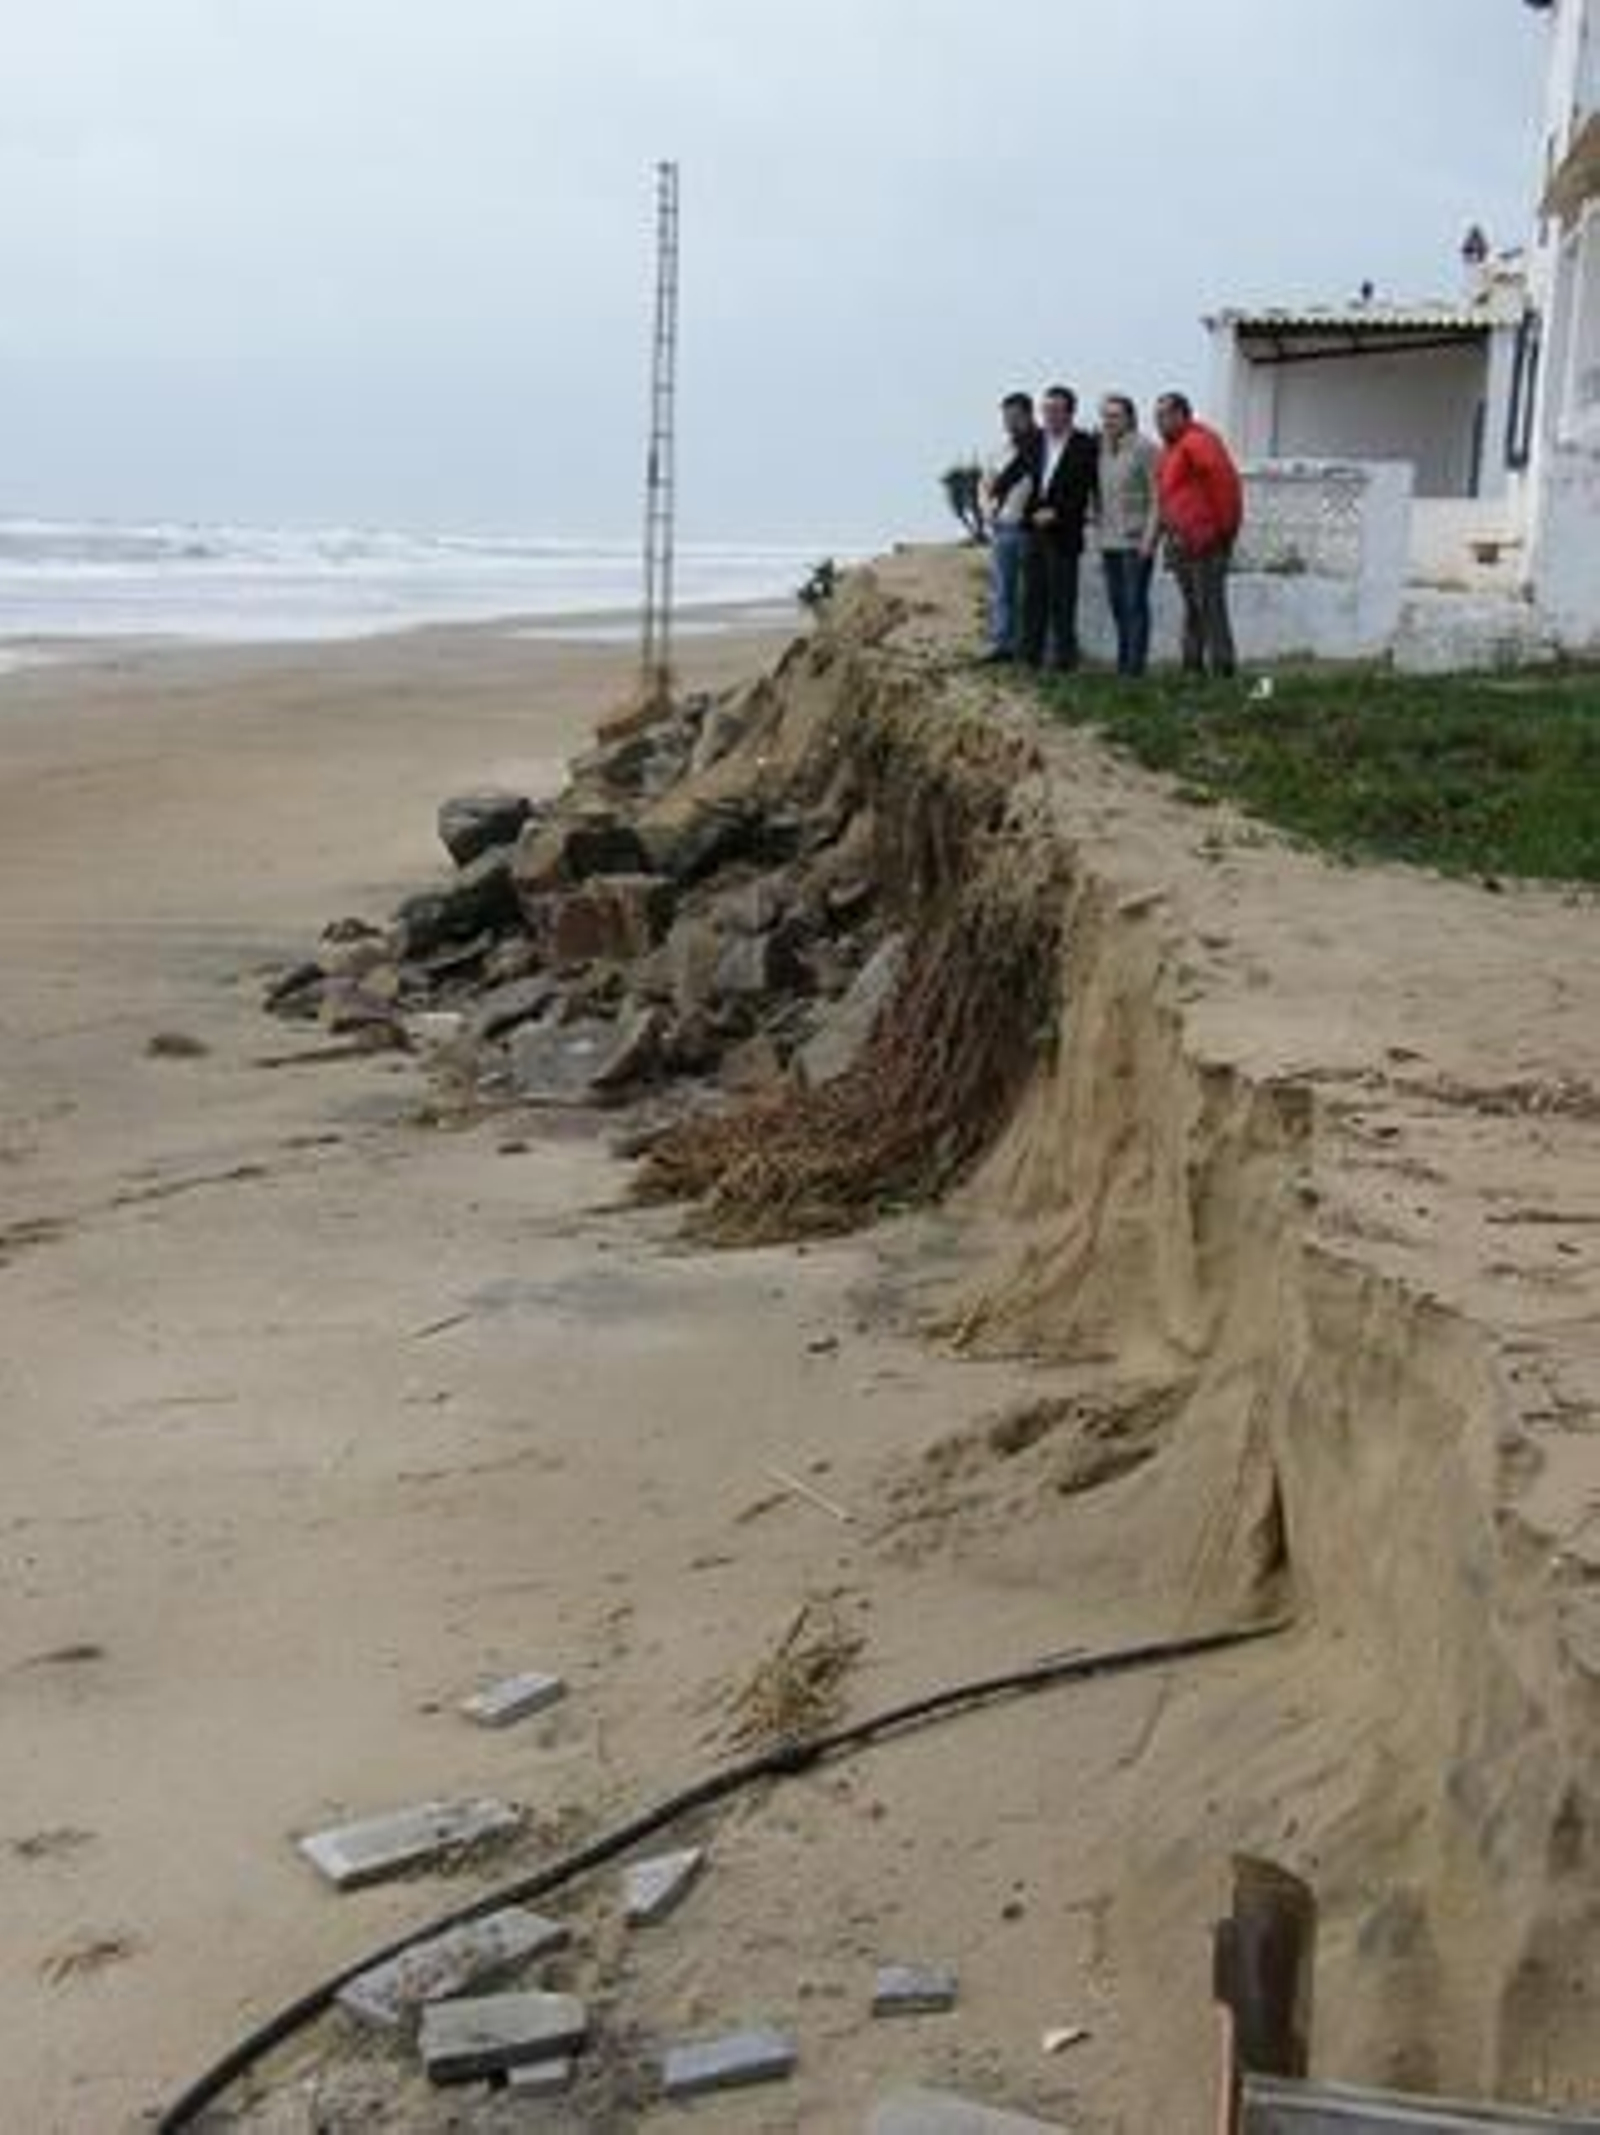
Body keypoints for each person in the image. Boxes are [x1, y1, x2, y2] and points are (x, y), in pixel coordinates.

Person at [1155, 392, 1244, 678]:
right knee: (1194, 607)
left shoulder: (1199, 441)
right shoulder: (1172, 449)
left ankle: (1223, 668)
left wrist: (1223, 532)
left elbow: (1226, 487)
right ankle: (1192, 666)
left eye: (1165, 416)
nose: (1160, 423)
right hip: (1181, 541)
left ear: (1182, 415)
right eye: (1157, 417)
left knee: (1210, 607)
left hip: (1205, 540)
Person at [1021, 384, 1099, 672]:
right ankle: (1031, 659)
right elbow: (1022, 472)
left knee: (1062, 601)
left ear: (1069, 413)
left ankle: (1064, 662)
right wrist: (997, 491)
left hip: (1064, 532)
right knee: (1032, 597)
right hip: (1035, 530)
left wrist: (1057, 514)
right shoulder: (1036, 441)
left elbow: (1082, 491)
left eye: (1055, 410)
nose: (1049, 416)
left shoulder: (1085, 444)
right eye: (1046, 410)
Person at [1097, 394, 1161, 677]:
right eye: (1105, 416)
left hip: (1136, 541)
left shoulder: (1145, 448)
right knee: (1117, 604)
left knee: (1135, 604)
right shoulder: (1101, 449)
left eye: (1115, 416)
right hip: (1109, 540)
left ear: (1130, 418)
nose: (1109, 421)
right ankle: (1123, 662)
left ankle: (1135, 668)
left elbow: (1158, 497)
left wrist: (1150, 537)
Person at [980, 391, 1041, 663]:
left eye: (1015, 417)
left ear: (1029, 415)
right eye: (1006, 418)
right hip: (1003, 527)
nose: (1010, 423)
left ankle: (1027, 646)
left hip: (1030, 529)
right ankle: (1000, 644)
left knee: (1030, 591)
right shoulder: (999, 451)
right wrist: (987, 513)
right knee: (1001, 590)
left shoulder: (1044, 448)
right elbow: (985, 486)